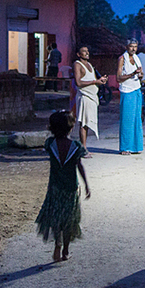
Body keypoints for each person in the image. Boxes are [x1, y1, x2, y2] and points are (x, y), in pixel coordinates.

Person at [35, 109, 90, 263]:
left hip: (54, 188)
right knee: (69, 219)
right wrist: (86, 185)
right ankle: (65, 250)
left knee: (56, 217)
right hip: (71, 188)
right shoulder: (76, 146)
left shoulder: (50, 144)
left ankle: (57, 244)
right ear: (71, 128)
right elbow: (79, 166)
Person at [71, 45, 107, 155]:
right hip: (84, 97)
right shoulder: (77, 64)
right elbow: (79, 82)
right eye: (84, 51)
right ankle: (83, 149)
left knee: (87, 123)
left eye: (87, 51)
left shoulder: (90, 65)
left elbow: (92, 79)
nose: (87, 53)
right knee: (83, 123)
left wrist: (100, 80)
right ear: (78, 54)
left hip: (92, 96)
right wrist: (95, 82)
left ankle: (84, 148)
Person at [117, 39, 144, 154]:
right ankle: (125, 147)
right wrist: (132, 74)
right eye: (131, 46)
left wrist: (140, 75)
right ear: (127, 47)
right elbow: (119, 78)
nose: (133, 49)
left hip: (136, 89)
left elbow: (141, 74)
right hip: (127, 90)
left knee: (137, 119)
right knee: (126, 119)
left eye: (135, 47)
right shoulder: (122, 59)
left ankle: (136, 147)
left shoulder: (137, 58)